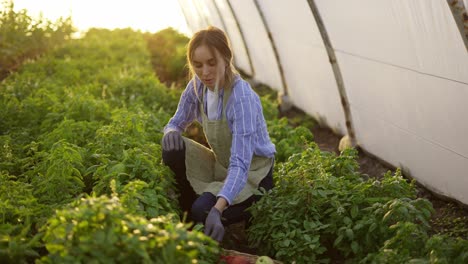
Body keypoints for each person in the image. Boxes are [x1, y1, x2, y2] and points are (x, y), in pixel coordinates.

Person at [161, 26, 275, 243]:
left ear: (226, 58)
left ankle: (218, 216)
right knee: (172, 147)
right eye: (198, 65)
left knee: (204, 210)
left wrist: (217, 209)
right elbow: (176, 122)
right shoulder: (198, 86)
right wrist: (171, 130)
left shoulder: (241, 99)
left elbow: (241, 164)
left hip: (252, 174)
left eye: (211, 63)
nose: (205, 72)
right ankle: (190, 217)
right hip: (221, 164)